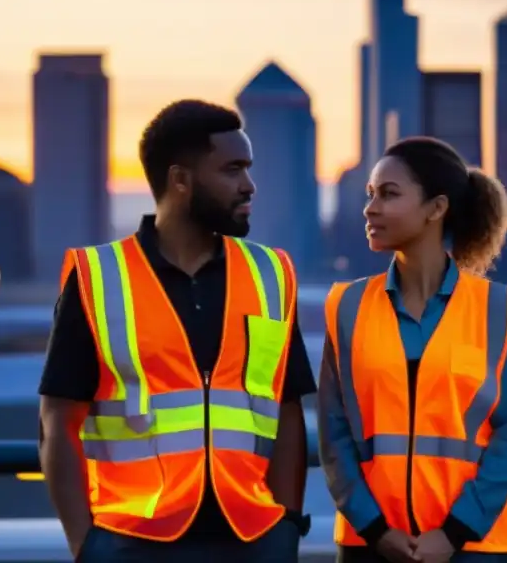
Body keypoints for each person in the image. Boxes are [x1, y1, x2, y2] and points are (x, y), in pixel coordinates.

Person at [38, 99, 316, 562]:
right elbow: (56, 424)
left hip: (252, 539)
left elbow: (287, 411)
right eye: (232, 170)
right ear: (180, 180)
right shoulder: (99, 278)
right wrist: (86, 545)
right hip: (132, 540)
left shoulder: (272, 274)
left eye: (248, 169)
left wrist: (285, 526)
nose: (249, 186)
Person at [318, 137, 507, 563]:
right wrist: (376, 530)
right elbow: (334, 433)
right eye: (370, 194)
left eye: (389, 194)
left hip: (477, 547)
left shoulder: (500, 309)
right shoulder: (346, 307)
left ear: (437, 208)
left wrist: (452, 534)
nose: (370, 208)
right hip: (371, 545)